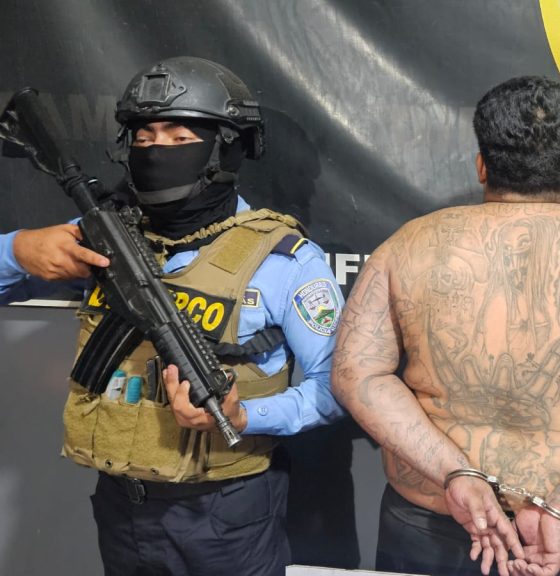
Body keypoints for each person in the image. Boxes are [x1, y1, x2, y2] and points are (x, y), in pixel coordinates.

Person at [331, 75, 560, 576]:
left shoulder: (405, 248)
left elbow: (357, 374)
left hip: (437, 527)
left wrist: (456, 474)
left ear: (482, 165)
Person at [0, 56, 344, 575]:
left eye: (179, 137)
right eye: (144, 137)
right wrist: (18, 250)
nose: (156, 150)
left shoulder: (284, 262)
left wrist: (245, 417)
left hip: (226, 510)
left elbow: (337, 387)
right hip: (122, 502)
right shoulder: (103, 236)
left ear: (226, 147)